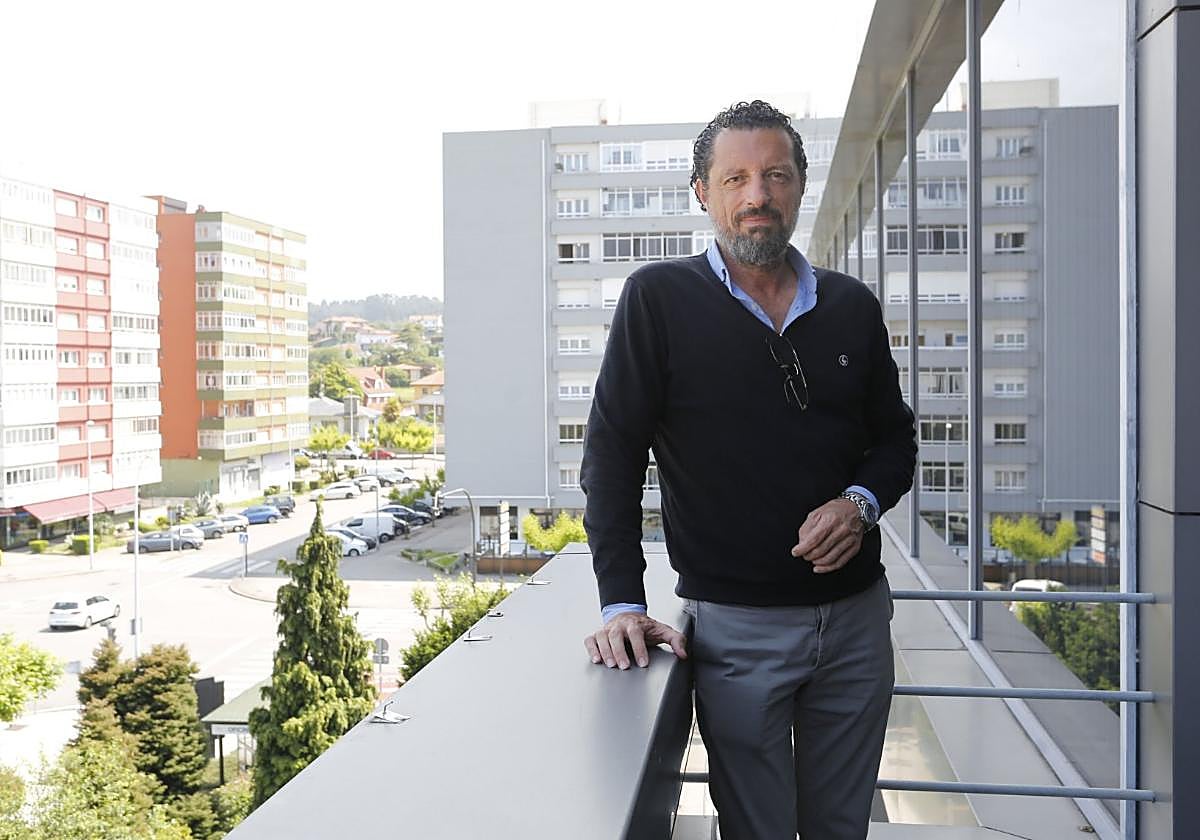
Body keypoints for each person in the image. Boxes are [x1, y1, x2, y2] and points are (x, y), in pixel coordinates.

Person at [580, 100, 917, 839]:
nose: (757, 195)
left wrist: (859, 502)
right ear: (703, 192)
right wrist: (620, 604)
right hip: (734, 634)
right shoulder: (657, 299)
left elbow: (896, 441)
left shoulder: (852, 306)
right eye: (736, 178)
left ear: (800, 187)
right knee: (755, 831)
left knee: (842, 829)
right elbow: (611, 457)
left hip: (858, 624)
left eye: (776, 175)